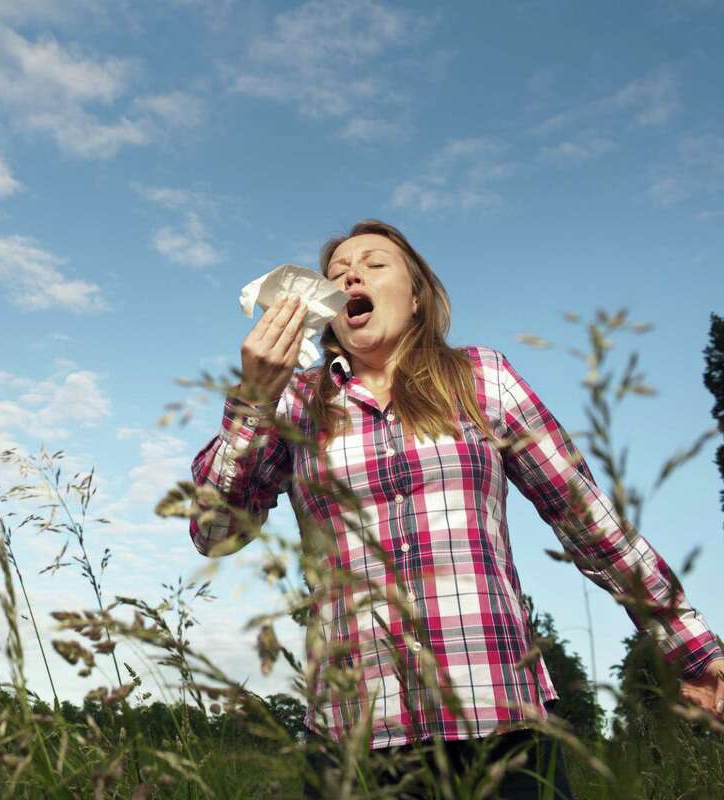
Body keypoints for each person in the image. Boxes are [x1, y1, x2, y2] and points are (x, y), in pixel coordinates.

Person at [188, 219, 724, 798]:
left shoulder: (481, 378)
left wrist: (691, 649)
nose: (350, 273)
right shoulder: (295, 402)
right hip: (357, 737)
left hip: (499, 722)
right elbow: (214, 531)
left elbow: (590, 523)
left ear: (417, 297)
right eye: (337, 270)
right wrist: (253, 400)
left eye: (374, 262)